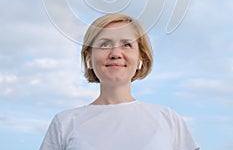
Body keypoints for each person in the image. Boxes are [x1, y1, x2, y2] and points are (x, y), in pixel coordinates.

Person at [40, 13, 200, 149]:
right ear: (89, 58)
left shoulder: (168, 119)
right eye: (104, 44)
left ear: (140, 59)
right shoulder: (64, 123)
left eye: (126, 44)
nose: (115, 53)